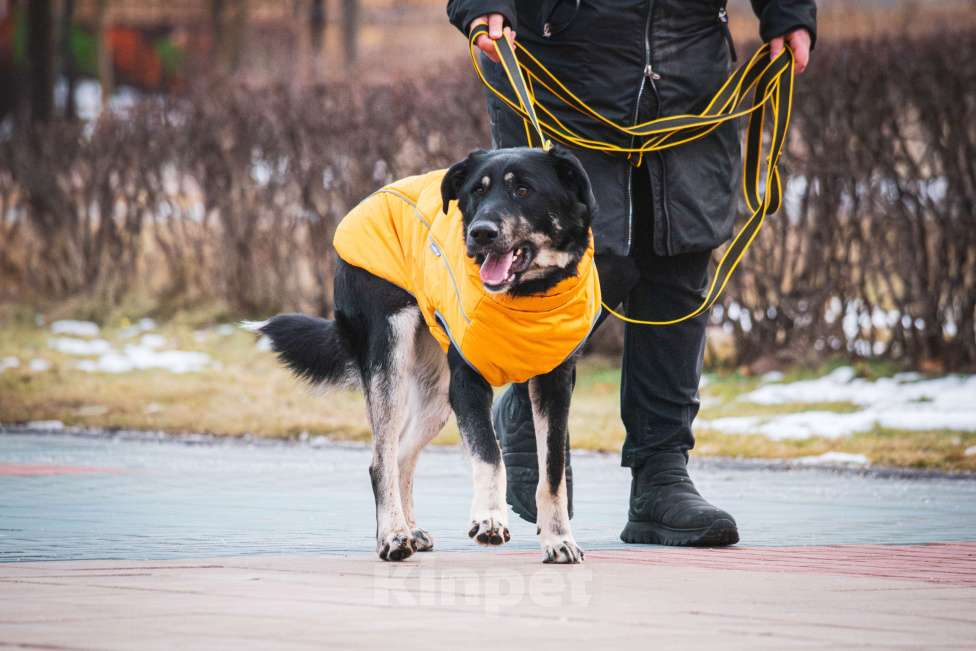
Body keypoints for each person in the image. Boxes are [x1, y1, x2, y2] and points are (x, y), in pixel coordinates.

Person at [446, 0, 816, 546]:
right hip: (562, 62)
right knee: (593, 260)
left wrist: (789, 11)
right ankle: (527, 414)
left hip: (690, 66)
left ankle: (661, 478)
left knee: (681, 258)